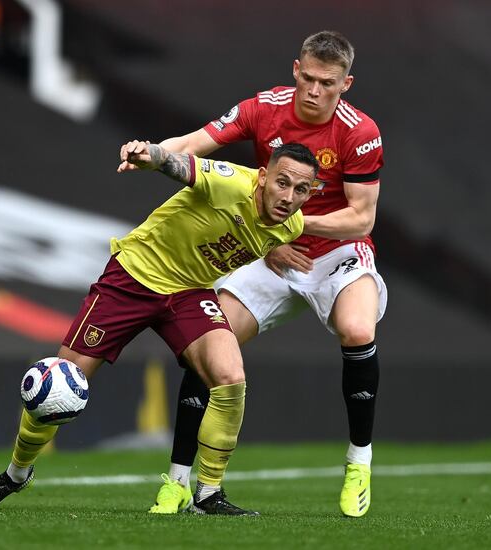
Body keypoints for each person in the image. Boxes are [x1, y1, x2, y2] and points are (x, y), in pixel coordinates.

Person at [0, 140, 318, 515]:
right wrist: (153, 156)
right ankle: (15, 474)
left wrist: (272, 249)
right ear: (263, 177)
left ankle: (208, 495)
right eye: (282, 182)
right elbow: (181, 166)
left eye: (301, 189)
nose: (289, 196)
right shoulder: (230, 183)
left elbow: (254, 235)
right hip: (134, 277)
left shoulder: (288, 226)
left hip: (189, 293)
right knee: (61, 382)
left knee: (230, 377)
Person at [146, 30, 386, 518]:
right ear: (296, 69)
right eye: (309, 78)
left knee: (358, 329)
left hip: (337, 254)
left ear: (347, 84)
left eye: (329, 83)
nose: (315, 91)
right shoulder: (263, 108)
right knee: (208, 346)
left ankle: (359, 462)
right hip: (272, 252)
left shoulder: (359, 132)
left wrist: (290, 220)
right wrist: (150, 152)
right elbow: (194, 143)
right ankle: (177, 482)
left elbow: (361, 217)